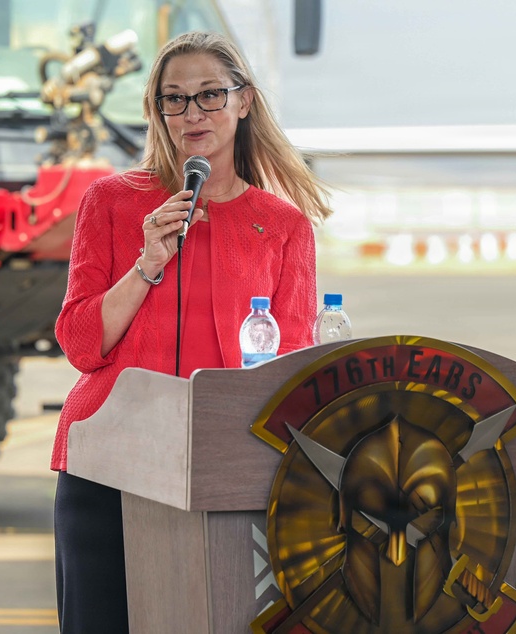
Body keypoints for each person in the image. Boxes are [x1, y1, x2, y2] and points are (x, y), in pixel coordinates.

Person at [49, 31, 332, 634]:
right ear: (156, 112)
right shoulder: (112, 202)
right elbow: (79, 344)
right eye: (173, 100)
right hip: (110, 453)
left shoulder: (282, 225)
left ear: (244, 101)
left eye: (209, 95)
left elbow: (297, 367)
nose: (193, 114)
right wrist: (147, 263)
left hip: (227, 460)